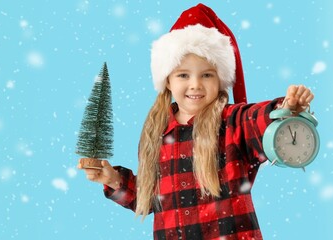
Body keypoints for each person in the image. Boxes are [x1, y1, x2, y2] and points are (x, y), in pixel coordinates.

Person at [77, 3, 314, 240]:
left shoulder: (232, 122)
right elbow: (150, 200)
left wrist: (285, 108)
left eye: (207, 74)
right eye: (183, 75)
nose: (195, 85)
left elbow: (257, 119)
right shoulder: (155, 133)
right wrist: (113, 179)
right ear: (167, 80)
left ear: (220, 80)